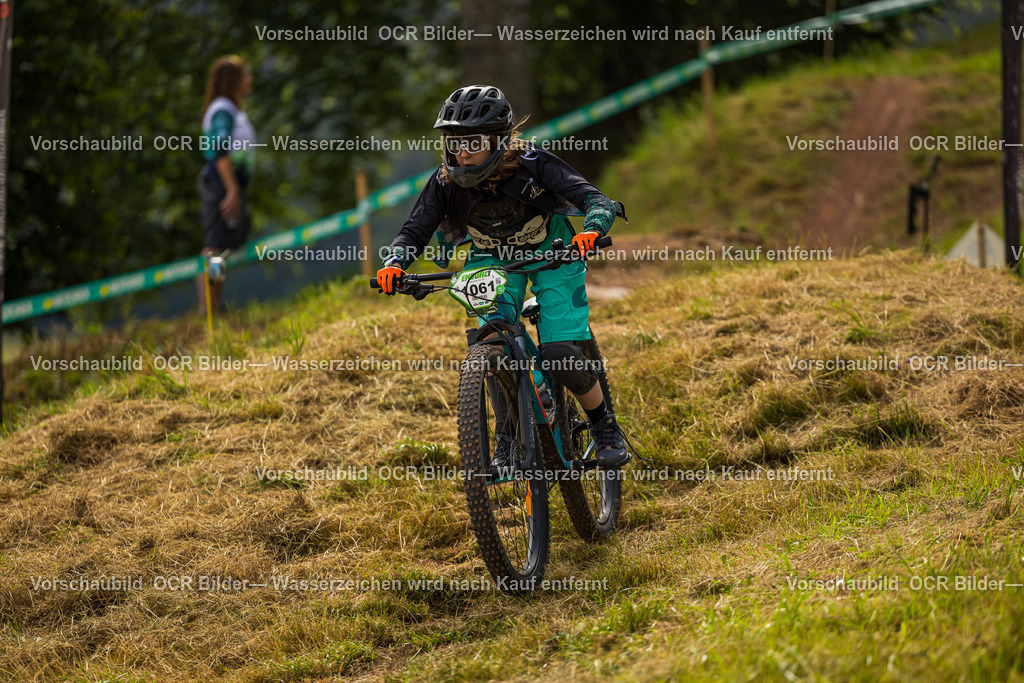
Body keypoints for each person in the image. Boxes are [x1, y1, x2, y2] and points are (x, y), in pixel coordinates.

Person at [376, 85, 629, 467]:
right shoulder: (445, 181)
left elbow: (593, 199)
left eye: (473, 143)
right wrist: (394, 263)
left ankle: (603, 424)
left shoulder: (534, 162)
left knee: (559, 354)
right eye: (453, 144)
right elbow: (414, 229)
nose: (461, 154)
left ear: (499, 141)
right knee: (491, 336)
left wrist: (592, 229)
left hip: (553, 252)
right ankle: (509, 436)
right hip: (490, 258)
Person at [196, 55, 256, 315]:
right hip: (221, 185)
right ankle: (209, 307)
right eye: (245, 75)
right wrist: (231, 189)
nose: (249, 80)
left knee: (222, 247)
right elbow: (219, 151)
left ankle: (214, 306)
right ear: (234, 80)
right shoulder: (223, 109)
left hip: (226, 184)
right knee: (215, 249)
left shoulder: (230, 109)